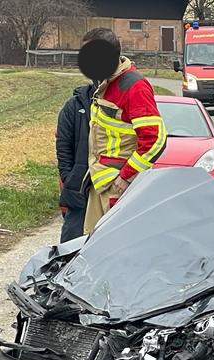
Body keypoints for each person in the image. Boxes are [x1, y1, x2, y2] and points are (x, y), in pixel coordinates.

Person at [78, 28, 167, 233]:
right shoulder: (106, 83)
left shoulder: (134, 86)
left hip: (118, 186)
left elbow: (155, 139)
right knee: (92, 248)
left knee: (114, 251)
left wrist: (126, 176)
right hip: (101, 182)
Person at [55, 82, 93, 242]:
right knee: (71, 246)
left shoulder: (122, 102)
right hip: (78, 189)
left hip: (111, 188)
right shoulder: (73, 106)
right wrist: (68, 176)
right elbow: (63, 144)